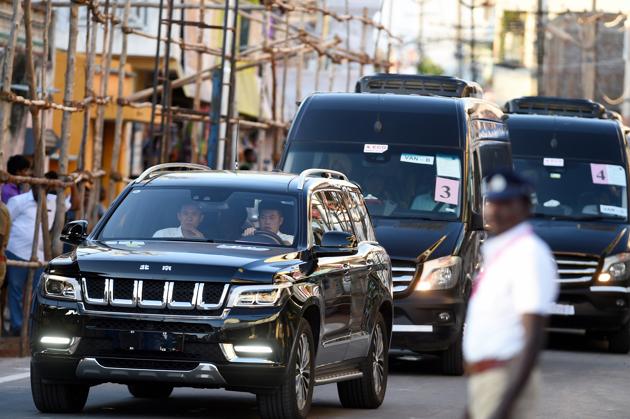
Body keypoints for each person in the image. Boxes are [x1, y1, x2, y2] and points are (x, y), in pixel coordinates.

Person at [463, 170, 558, 419]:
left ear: (526, 207)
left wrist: (505, 405)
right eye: (493, 202)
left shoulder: (528, 253)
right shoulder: (501, 252)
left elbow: (533, 337)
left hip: (505, 378)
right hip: (487, 381)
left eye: (506, 203)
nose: (496, 211)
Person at [5, 171, 78, 336]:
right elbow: (7, 222)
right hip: (16, 251)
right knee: (15, 290)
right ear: (32, 185)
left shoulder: (52, 201)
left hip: (38, 255)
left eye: (44, 187)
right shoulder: (17, 201)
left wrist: (72, 184)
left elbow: (75, 206)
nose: (41, 190)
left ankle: (30, 326)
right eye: (38, 187)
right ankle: (17, 326)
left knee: (35, 293)